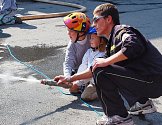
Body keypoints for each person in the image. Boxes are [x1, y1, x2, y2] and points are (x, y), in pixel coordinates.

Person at [54, 3, 162, 125]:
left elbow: (134, 45)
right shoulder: (111, 43)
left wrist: (106, 61)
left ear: (108, 19)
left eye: (95, 19)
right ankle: (141, 103)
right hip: (149, 82)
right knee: (99, 68)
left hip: (154, 81)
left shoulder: (121, 30)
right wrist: (70, 78)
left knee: (101, 71)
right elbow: (93, 68)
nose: (93, 24)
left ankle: (118, 117)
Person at [69, 27, 107, 101]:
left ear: (101, 40)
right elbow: (83, 66)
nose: (90, 40)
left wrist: (77, 83)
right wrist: (76, 80)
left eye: (92, 38)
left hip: (97, 82)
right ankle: (84, 87)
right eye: (90, 38)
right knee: (72, 89)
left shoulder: (103, 54)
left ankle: (103, 92)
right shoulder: (89, 51)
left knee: (85, 97)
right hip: (87, 79)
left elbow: (90, 73)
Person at [63, 12, 91, 92]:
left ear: (81, 32)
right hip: (78, 71)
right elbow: (68, 63)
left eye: (71, 31)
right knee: (72, 89)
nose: (68, 33)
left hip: (91, 69)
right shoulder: (71, 45)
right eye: (67, 30)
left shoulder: (92, 38)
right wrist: (67, 77)